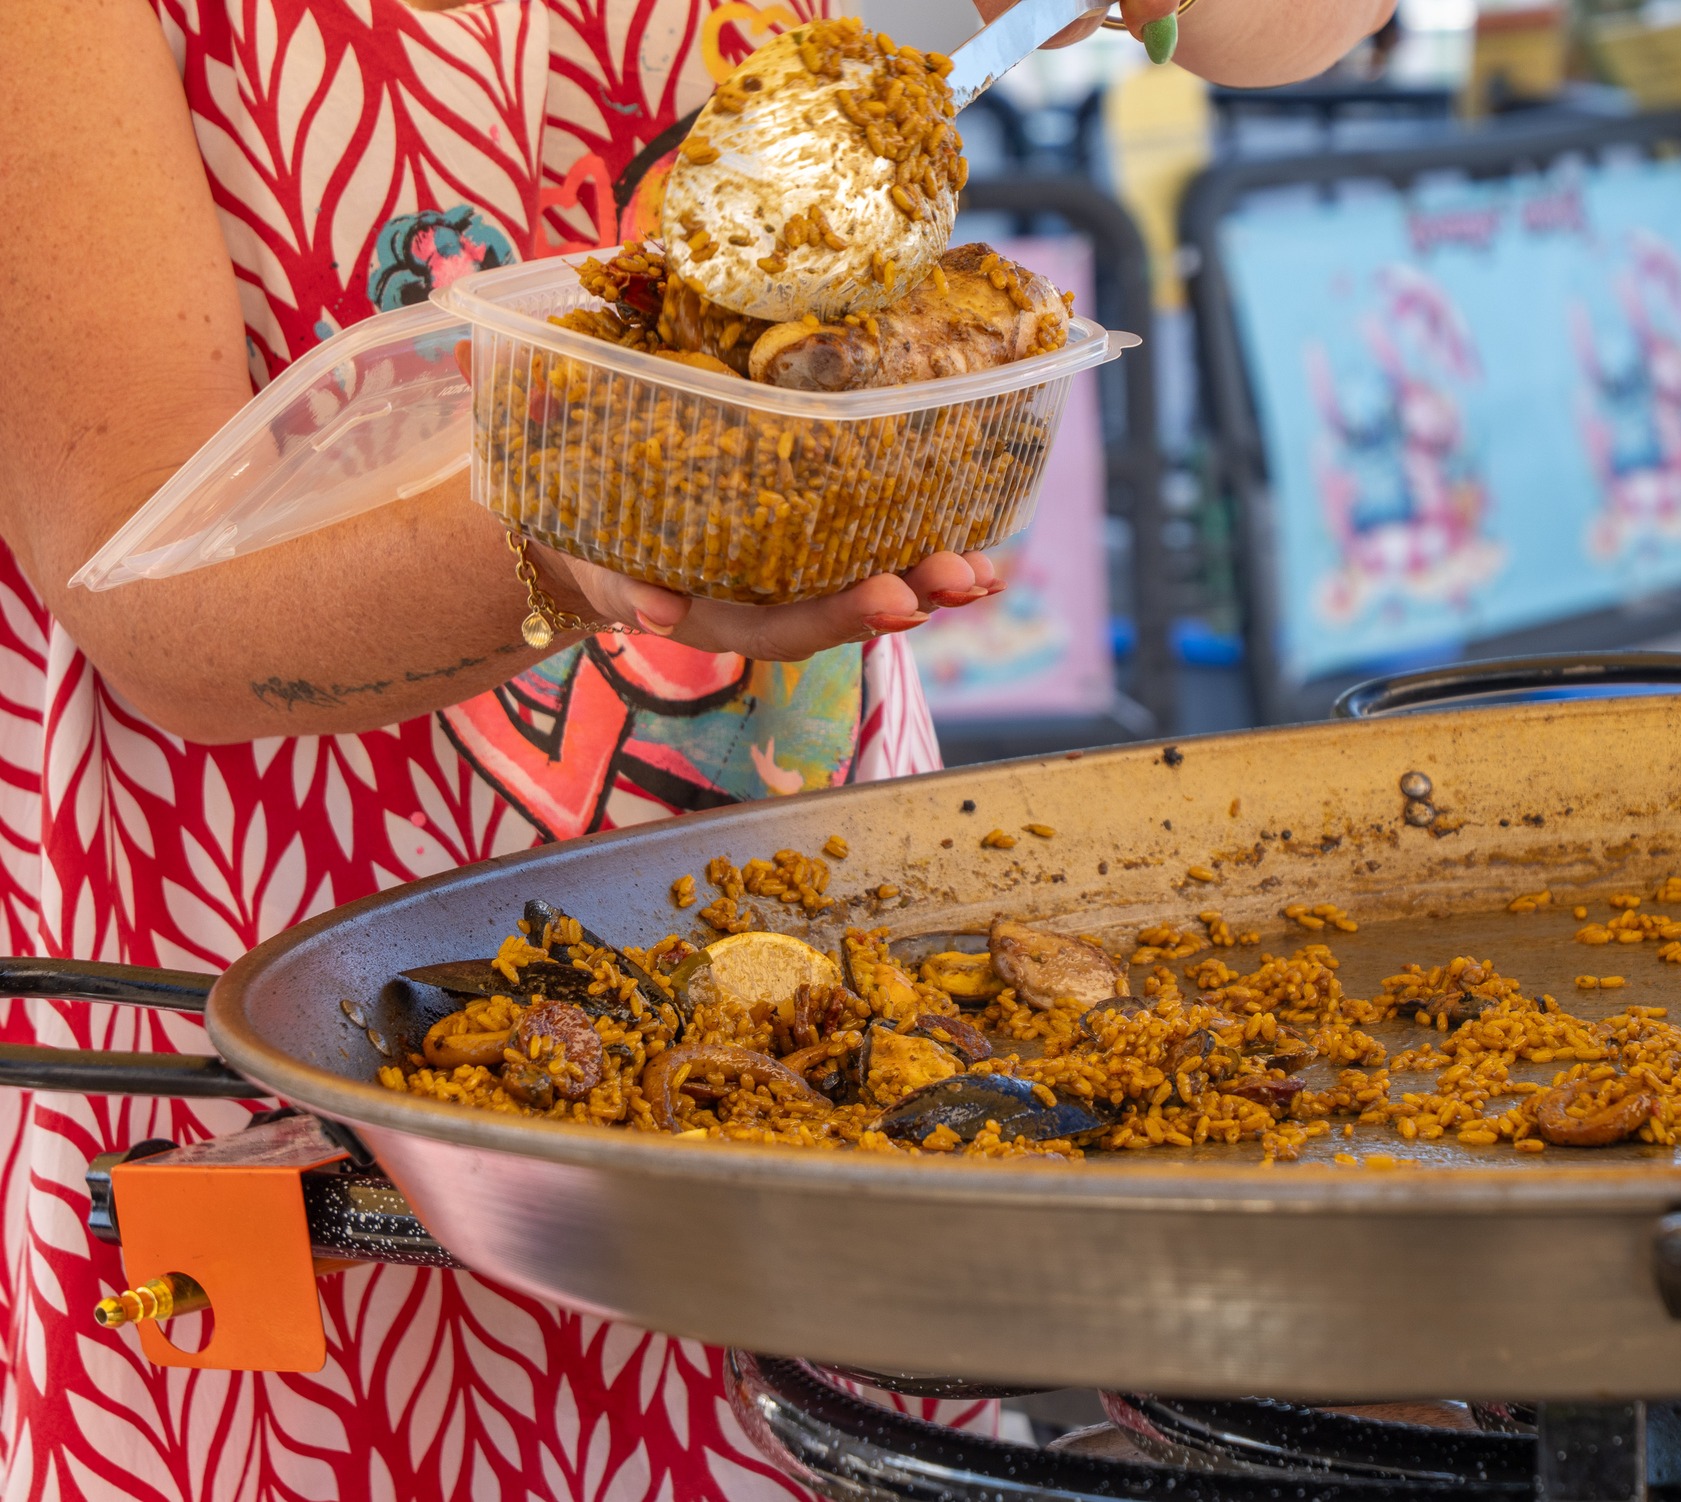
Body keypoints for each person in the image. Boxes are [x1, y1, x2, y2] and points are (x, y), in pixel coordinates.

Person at [0, 0, 1393, 1495]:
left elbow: (1293, 26)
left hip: (815, 1005)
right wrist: (611, 532)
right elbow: (155, 605)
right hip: (289, 1009)